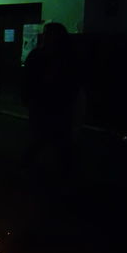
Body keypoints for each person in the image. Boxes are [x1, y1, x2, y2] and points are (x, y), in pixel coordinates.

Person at [21, 22, 84, 178]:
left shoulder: (62, 57)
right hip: (46, 103)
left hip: (56, 104)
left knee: (52, 139)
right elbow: (27, 80)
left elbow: (74, 82)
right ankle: (56, 172)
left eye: (49, 34)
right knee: (46, 138)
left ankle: (58, 172)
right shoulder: (47, 56)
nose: (46, 37)